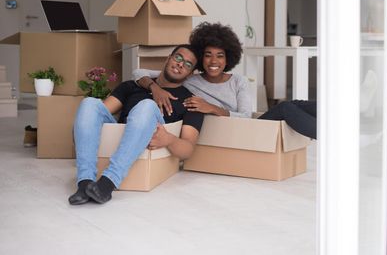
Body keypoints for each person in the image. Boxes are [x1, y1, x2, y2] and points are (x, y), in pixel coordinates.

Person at [68, 44, 204, 205]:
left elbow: (188, 149)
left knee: (146, 106)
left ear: (190, 73)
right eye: (178, 58)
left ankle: (108, 182)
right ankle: (85, 183)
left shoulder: (190, 101)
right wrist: (154, 89)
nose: (181, 64)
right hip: (119, 137)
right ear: (168, 58)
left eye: (188, 64)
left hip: (150, 141)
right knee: (90, 103)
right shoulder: (132, 86)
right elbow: (94, 116)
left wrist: (169, 139)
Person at [134, 22, 252, 118]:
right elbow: (138, 72)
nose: (213, 61)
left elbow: (246, 117)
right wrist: (155, 88)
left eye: (220, 56)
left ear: (228, 59)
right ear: (201, 58)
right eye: (208, 55)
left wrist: (211, 108)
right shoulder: (189, 79)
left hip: (238, 133)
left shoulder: (239, 81)